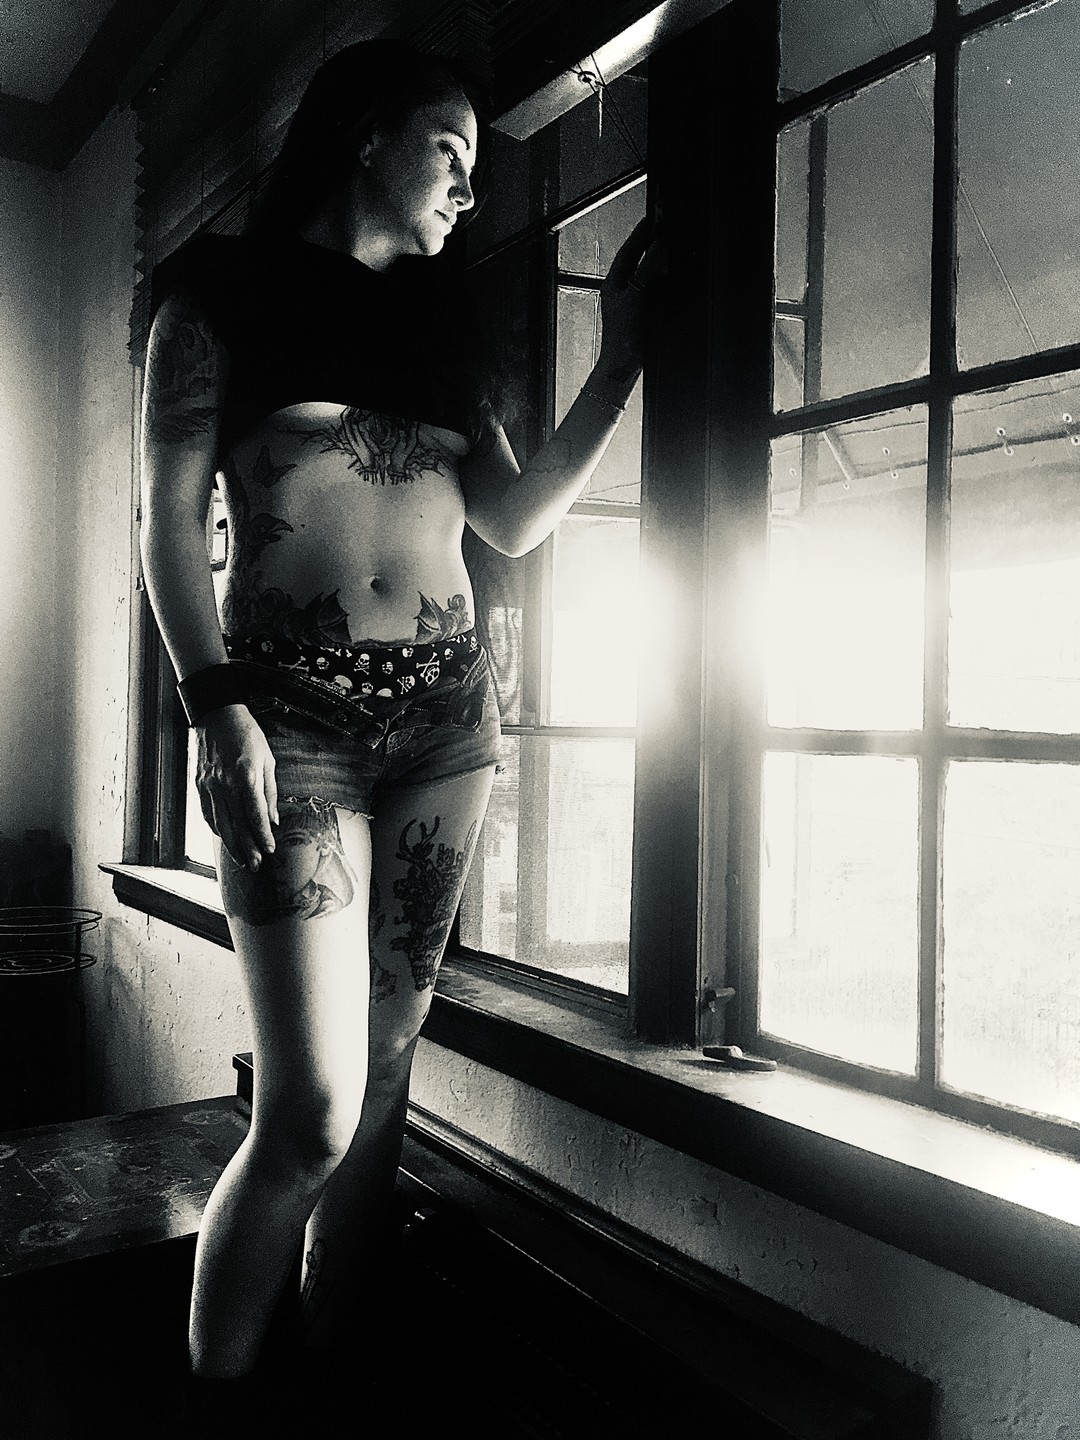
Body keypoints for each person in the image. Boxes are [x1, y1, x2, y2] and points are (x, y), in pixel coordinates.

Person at [140, 37, 657, 1385]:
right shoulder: (215, 295)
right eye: (451, 152)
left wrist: (618, 363)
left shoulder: (446, 327)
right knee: (309, 1115)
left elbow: (513, 522)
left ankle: (336, 1373)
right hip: (287, 718)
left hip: (446, 722)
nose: (470, 190)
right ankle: (215, 1399)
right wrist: (213, 705)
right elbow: (167, 525)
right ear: (365, 135)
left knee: (380, 1090)